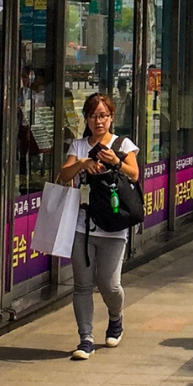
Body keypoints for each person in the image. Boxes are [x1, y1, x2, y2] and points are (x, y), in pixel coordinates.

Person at [57, 93, 140, 360]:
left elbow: (135, 174)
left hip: (114, 226)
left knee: (109, 285)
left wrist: (115, 161)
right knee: (82, 285)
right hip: (83, 225)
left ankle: (116, 317)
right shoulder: (79, 146)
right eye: (93, 116)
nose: (98, 121)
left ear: (111, 117)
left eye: (103, 115)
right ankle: (85, 338)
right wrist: (83, 163)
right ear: (87, 118)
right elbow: (62, 177)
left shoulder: (122, 143)